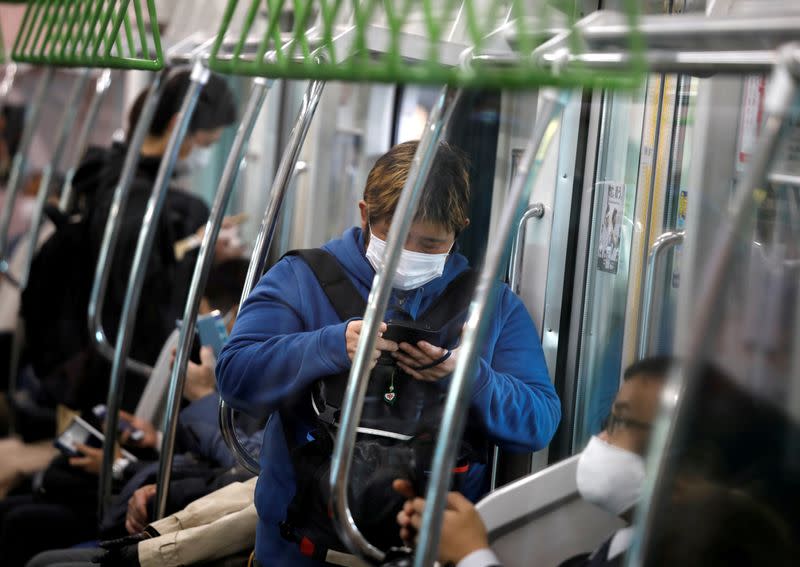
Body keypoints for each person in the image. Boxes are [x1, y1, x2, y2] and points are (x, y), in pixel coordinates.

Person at [217, 140, 561, 566]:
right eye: (396, 238)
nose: (410, 255)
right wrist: (328, 346)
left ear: (460, 230)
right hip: (301, 551)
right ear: (365, 215)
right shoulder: (302, 281)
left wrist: (469, 376)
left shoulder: (492, 307)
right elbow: (234, 377)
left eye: (431, 245)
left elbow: (539, 422)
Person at [20, 69, 240, 413]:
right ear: (178, 125)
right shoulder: (140, 206)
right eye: (207, 143)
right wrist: (200, 251)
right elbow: (145, 299)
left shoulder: (112, 173)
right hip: (120, 376)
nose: (204, 156)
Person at [395, 356, 673, 567]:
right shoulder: (604, 553)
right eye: (607, 421)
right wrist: (445, 542)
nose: (600, 439)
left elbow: (537, 421)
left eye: (620, 422)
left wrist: (471, 554)